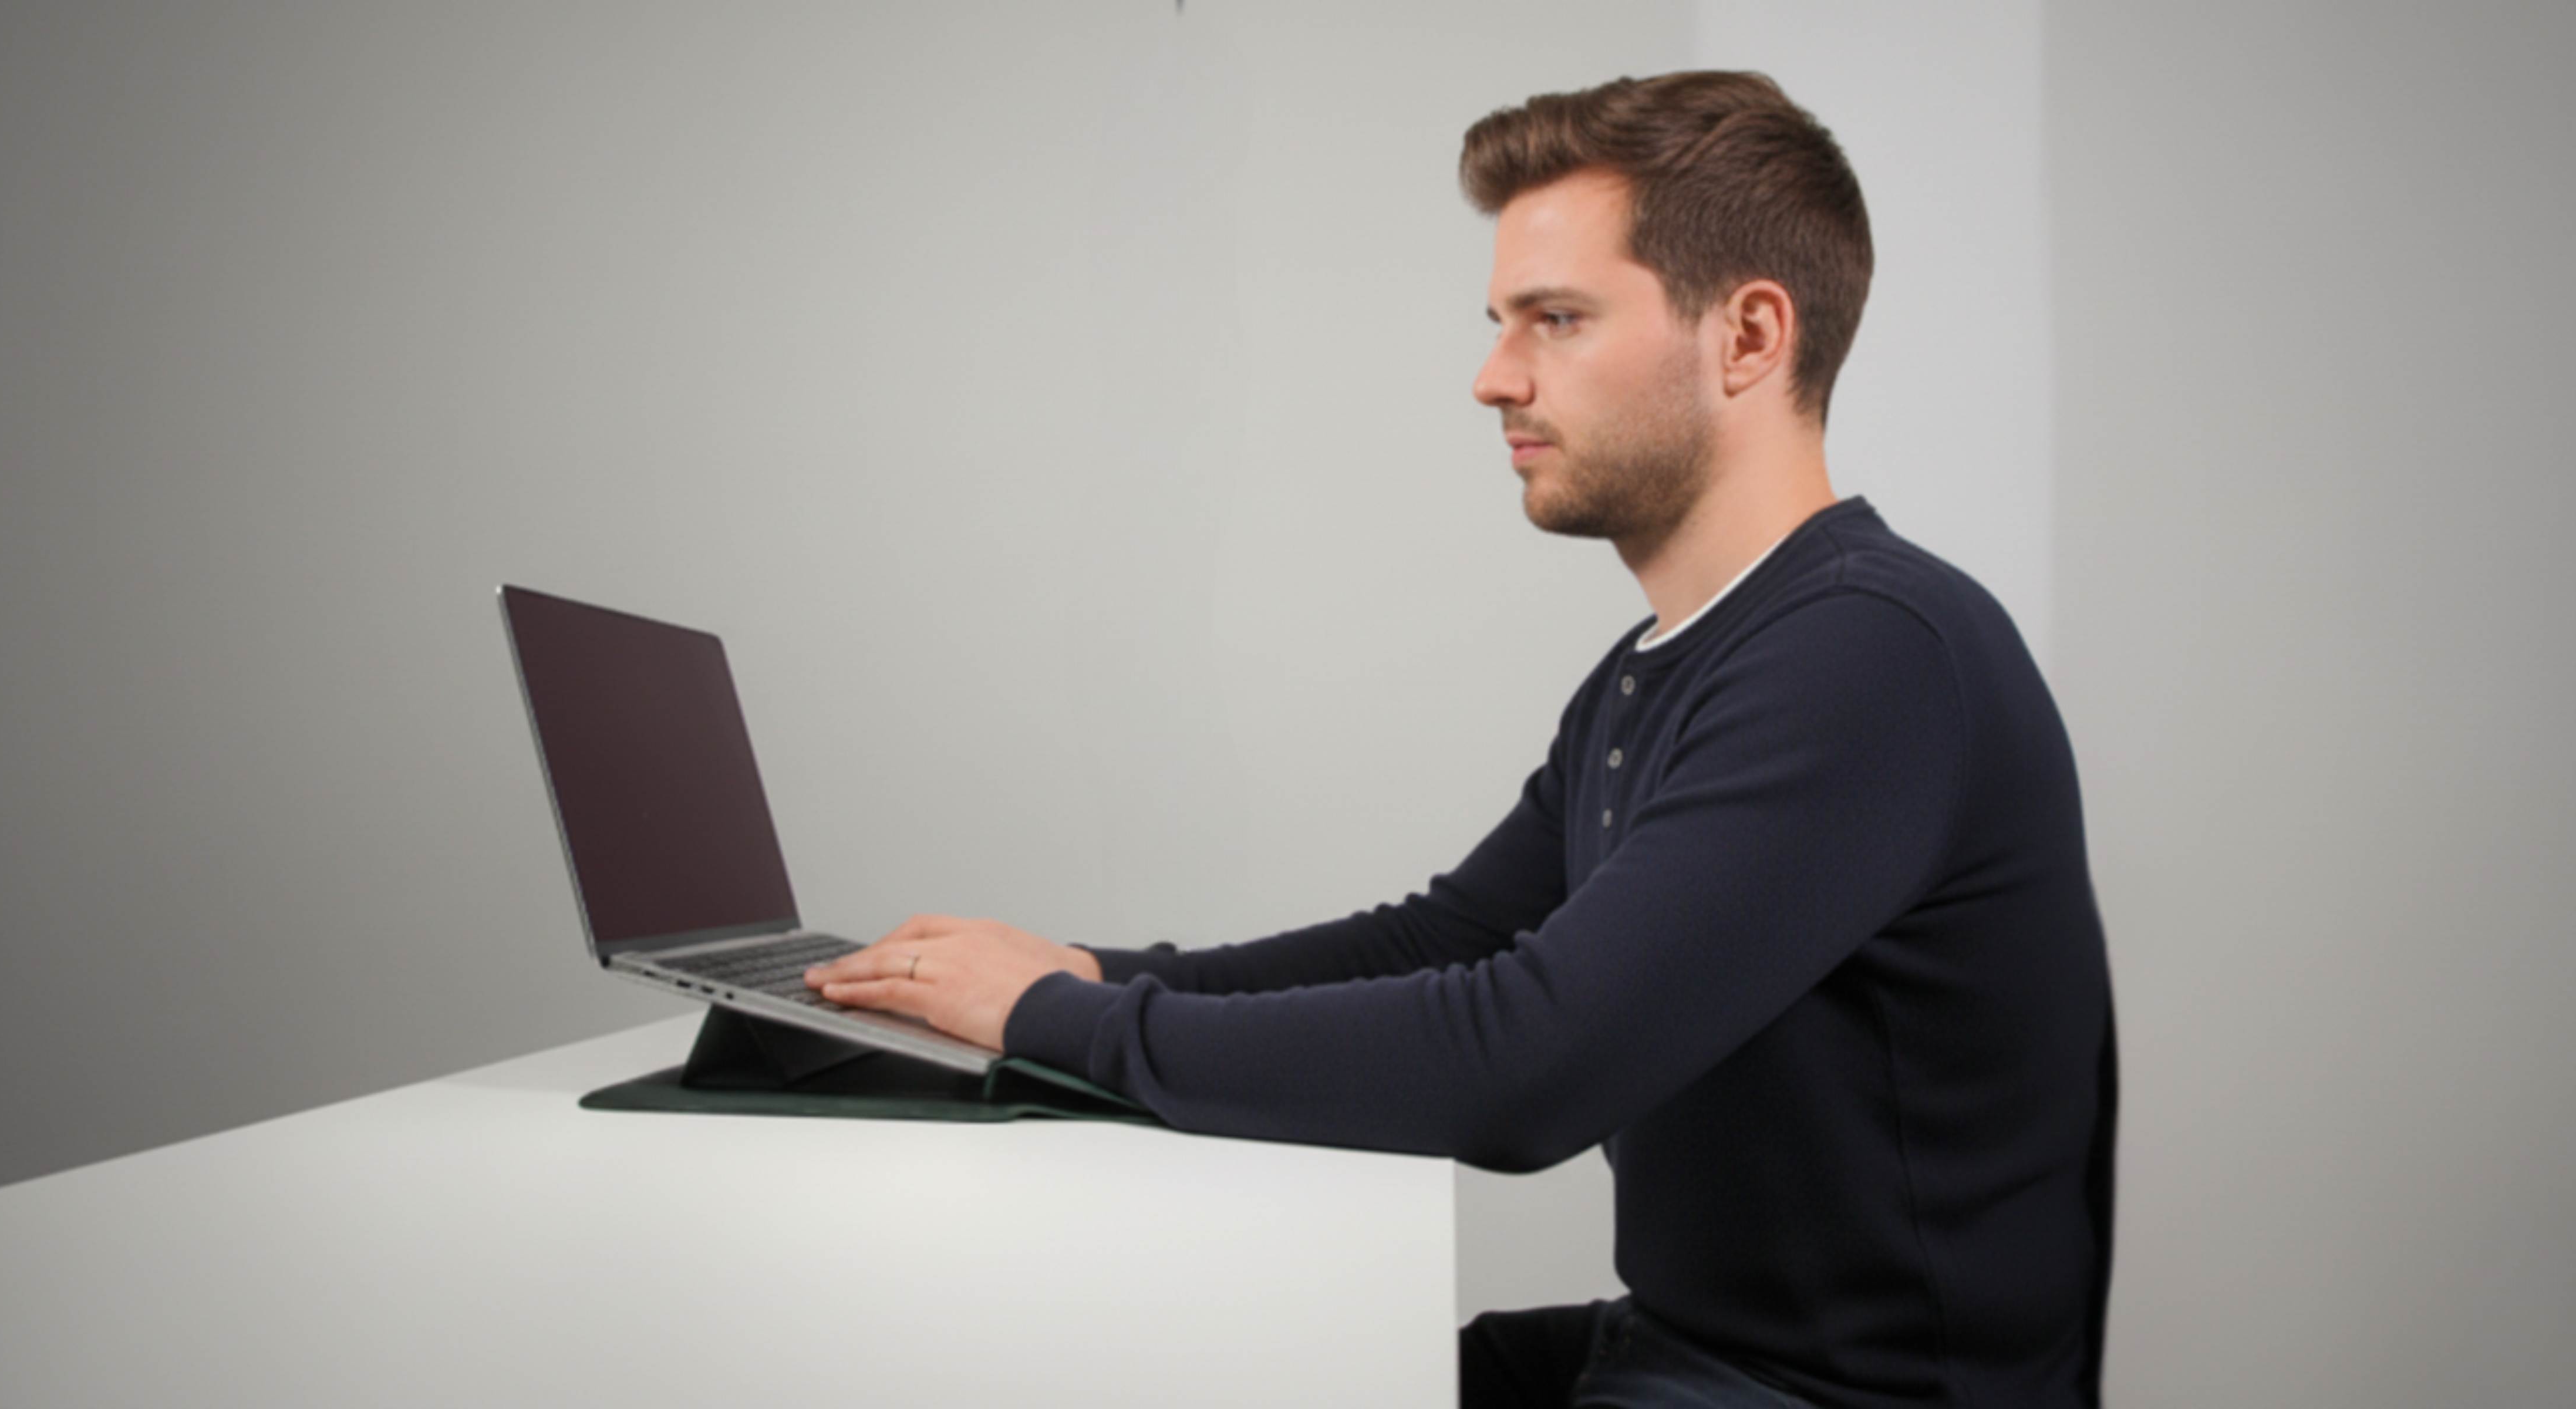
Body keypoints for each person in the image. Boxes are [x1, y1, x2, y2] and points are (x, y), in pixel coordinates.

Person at [807, 70, 2114, 1409]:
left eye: (1556, 319)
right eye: (1501, 322)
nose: (1493, 378)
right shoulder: (1660, 673)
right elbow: (1448, 942)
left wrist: (1057, 1021)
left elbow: (1522, 1067)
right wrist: (1092, 971)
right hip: (1688, 1350)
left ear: (1749, 337)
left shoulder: (1872, 655)